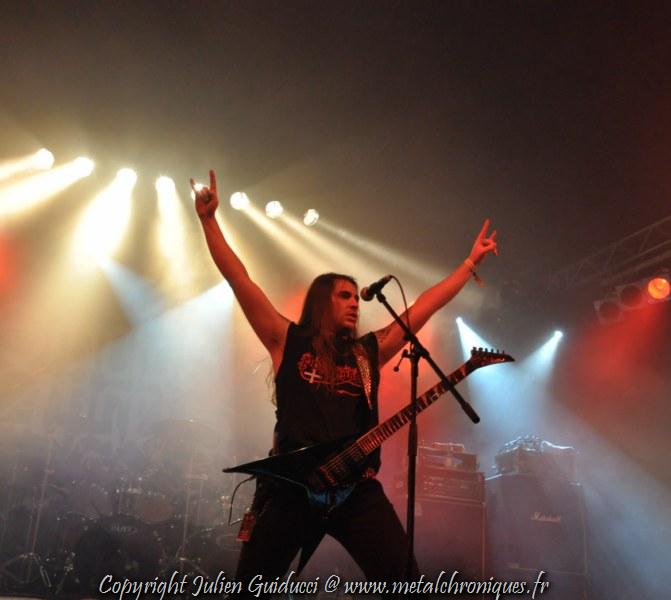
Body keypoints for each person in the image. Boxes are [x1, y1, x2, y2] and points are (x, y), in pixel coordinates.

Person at [191, 170, 498, 594]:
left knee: (404, 581)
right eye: (344, 296)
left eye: (357, 297)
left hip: (356, 490)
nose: (355, 304)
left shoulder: (367, 352)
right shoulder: (287, 340)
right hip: (293, 487)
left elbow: (423, 307)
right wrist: (209, 221)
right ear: (322, 301)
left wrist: (468, 265)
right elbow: (240, 279)